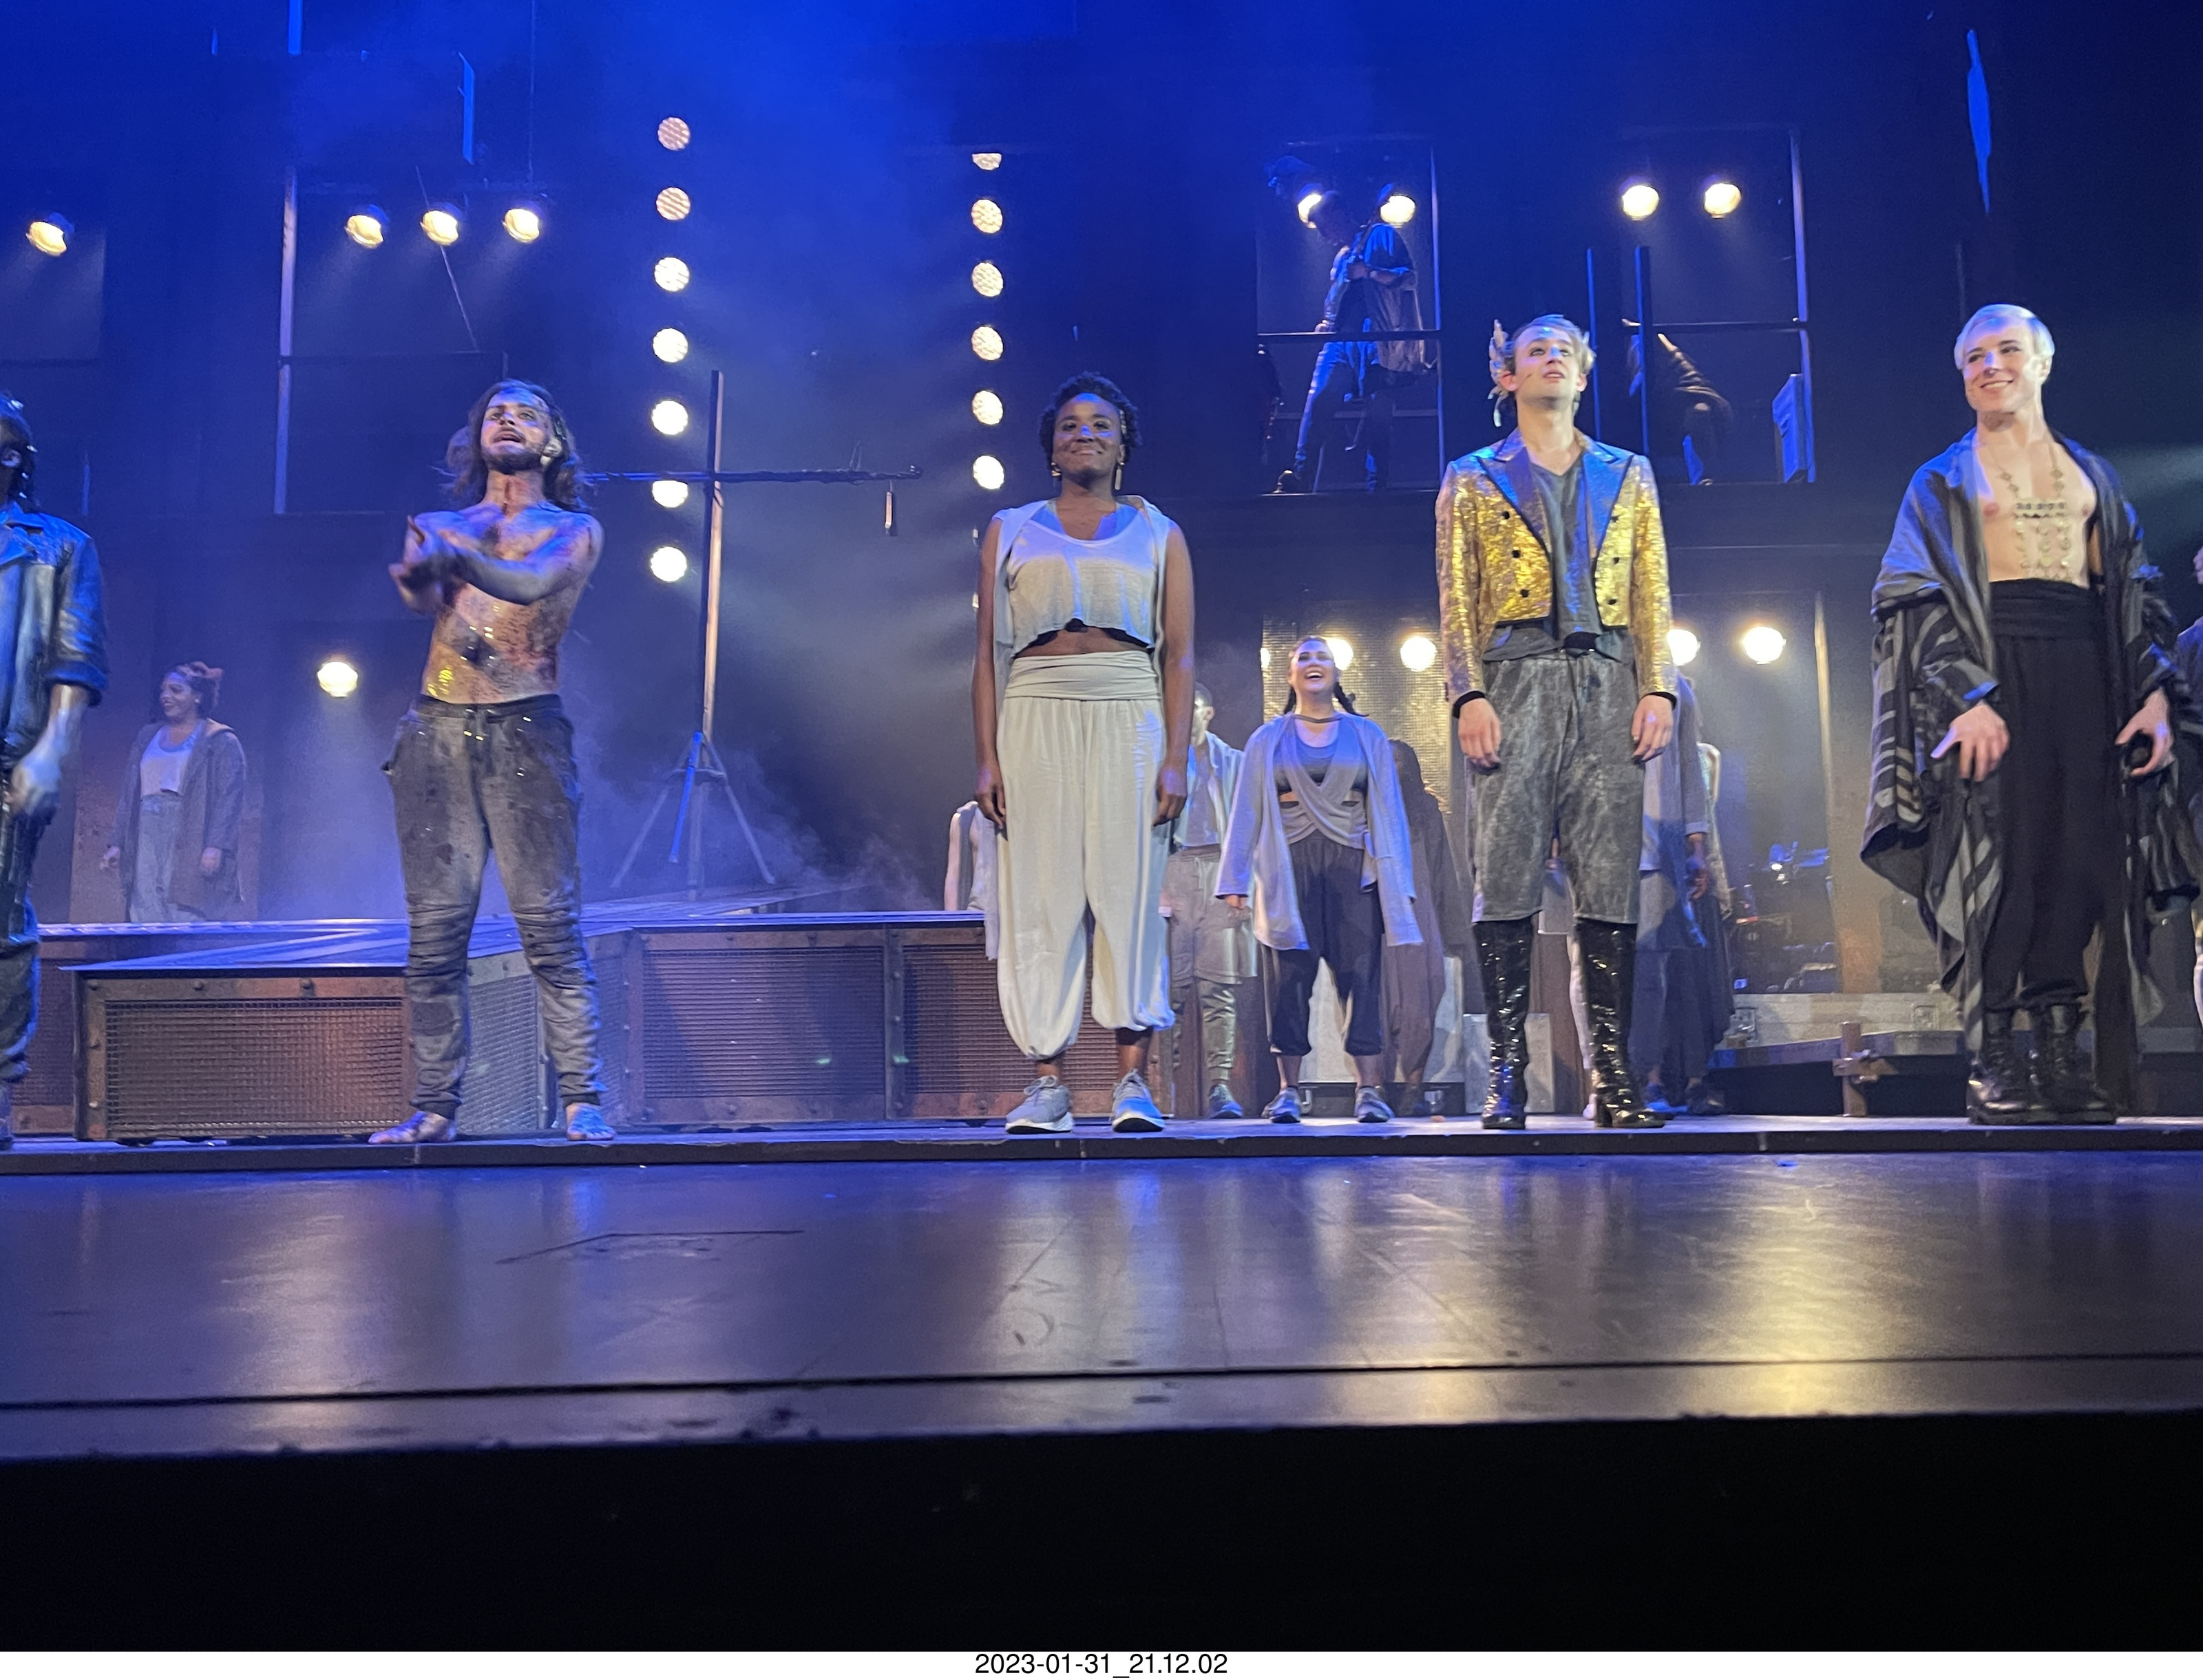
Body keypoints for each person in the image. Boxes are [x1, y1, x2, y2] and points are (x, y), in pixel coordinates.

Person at [1864, 304, 2197, 1125]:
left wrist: (2152, 697)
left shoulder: (2090, 475)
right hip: (1990, 670)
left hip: (2083, 669)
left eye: (2005, 350)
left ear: (2041, 363)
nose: (1990, 366)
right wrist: (1965, 696)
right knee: (1998, 864)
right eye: (1973, 357)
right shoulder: (1941, 478)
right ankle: (1994, 1056)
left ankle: (2057, 1050)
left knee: (2077, 859)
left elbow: (2135, 591)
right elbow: (1909, 595)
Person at [1439, 315, 1678, 1131]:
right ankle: (1507, 1074)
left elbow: (1651, 588)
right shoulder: (1471, 476)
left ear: (1583, 374)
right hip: (1513, 678)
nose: (1548, 358)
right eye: (1533, 350)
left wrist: (1659, 688)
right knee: (1504, 874)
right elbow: (1454, 596)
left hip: (1607, 678)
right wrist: (1466, 694)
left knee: (1608, 879)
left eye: (1563, 351)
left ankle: (1612, 1074)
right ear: (1506, 376)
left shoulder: (1628, 472)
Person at [372, 380, 613, 1145]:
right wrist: (423, 571)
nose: (507, 422)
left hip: (526, 729)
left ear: (551, 440)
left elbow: (529, 586)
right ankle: (435, 1106)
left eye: (526, 414)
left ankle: (582, 1098)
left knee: (549, 925)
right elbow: (421, 601)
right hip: (437, 727)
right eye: (495, 414)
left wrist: (456, 558)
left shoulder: (573, 530)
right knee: (435, 935)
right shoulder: (441, 524)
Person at [973, 374, 1194, 1134]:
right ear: (1051, 445)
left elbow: (1179, 655)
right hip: (1033, 707)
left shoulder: (1158, 533)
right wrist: (986, 757)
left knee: (1128, 893)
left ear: (1122, 441)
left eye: (1101, 423)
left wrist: (1176, 757)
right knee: (1041, 895)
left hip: (1129, 707)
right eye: (1070, 424)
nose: (1085, 434)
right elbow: (986, 654)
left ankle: (1132, 1083)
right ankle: (1048, 1082)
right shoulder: (1010, 528)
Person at [1219, 637, 1420, 1123]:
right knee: (1288, 981)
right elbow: (1245, 810)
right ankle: (1289, 1090)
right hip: (1288, 868)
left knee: (1362, 977)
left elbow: (1390, 810)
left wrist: (1399, 880)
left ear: (1336, 673)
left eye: (1322, 657)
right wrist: (1235, 878)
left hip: (1353, 867)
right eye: (1303, 658)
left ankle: (1368, 1089)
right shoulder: (1268, 738)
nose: (1313, 663)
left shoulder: (1366, 734)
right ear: (1290, 675)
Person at [0, 394, 107, 1151]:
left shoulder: (60, 546)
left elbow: (76, 658)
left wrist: (49, 751)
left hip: (9, 753)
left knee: (2, 925)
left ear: (16, 459)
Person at [1274, 192, 1429, 495]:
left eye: (1326, 226)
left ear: (1341, 215)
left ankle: (1377, 488)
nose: (1324, 235)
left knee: (1378, 416)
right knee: (1319, 403)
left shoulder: (1382, 235)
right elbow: (1339, 300)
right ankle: (1301, 479)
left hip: (1377, 341)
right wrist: (1327, 323)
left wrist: (1369, 272)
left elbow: (1409, 278)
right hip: (1340, 341)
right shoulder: (1343, 255)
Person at [1159, 682, 1256, 1118]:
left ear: (1208, 712)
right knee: (1171, 990)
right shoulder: (1162, 763)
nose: (1184, 714)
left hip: (1219, 870)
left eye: (1192, 706)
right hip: (1174, 868)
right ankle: (1165, 1087)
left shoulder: (1233, 762)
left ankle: (1220, 1086)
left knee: (1218, 988)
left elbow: (1249, 827)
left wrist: (1243, 885)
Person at [1630, 674, 1718, 1108]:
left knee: (1652, 971)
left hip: (1656, 847)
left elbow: (1689, 768)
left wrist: (1697, 848)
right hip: (1593, 843)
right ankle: (1600, 1076)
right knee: (1587, 966)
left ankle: (1645, 1078)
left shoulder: (1676, 685)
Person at [101, 663, 246, 923]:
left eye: (176, 690)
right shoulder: (148, 735)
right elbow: (130, 793)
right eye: (164, 691)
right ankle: (149, 949)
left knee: (183, 901)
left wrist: (216, 845)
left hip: (189, 827)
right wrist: (117, 843)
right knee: (145, 901)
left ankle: (180, 950)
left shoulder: (219, 740)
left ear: (197, 697)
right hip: (146, 827)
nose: (166, 696)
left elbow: (229, 800)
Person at [1383, 739, 1475, 1116]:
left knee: (1422, 997)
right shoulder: (1364, 809)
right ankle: (1375, 1087)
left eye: (1398, 762)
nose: (1392, 769)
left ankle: (1413, 1086)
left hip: (1419, 913)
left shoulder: (1425, 811)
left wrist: (1451, 929)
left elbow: (1441, 872)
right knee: (1381, 1001)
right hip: (1379, 912)